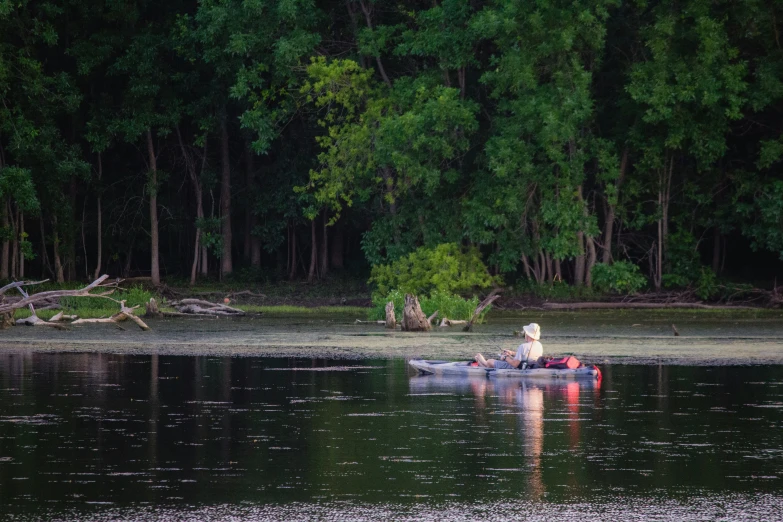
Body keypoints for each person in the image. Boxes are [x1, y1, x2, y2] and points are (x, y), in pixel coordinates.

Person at [475, 323, 542, 369]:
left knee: (490, 361)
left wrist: (505, 357)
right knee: (492, 362)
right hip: (529, 365)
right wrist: (511, 353)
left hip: (517, 367)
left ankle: (481, 360)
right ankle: (480, 362)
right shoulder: (539, 345)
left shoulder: (523, 346)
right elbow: (526, 354)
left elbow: (515, 364)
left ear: (527, 334)